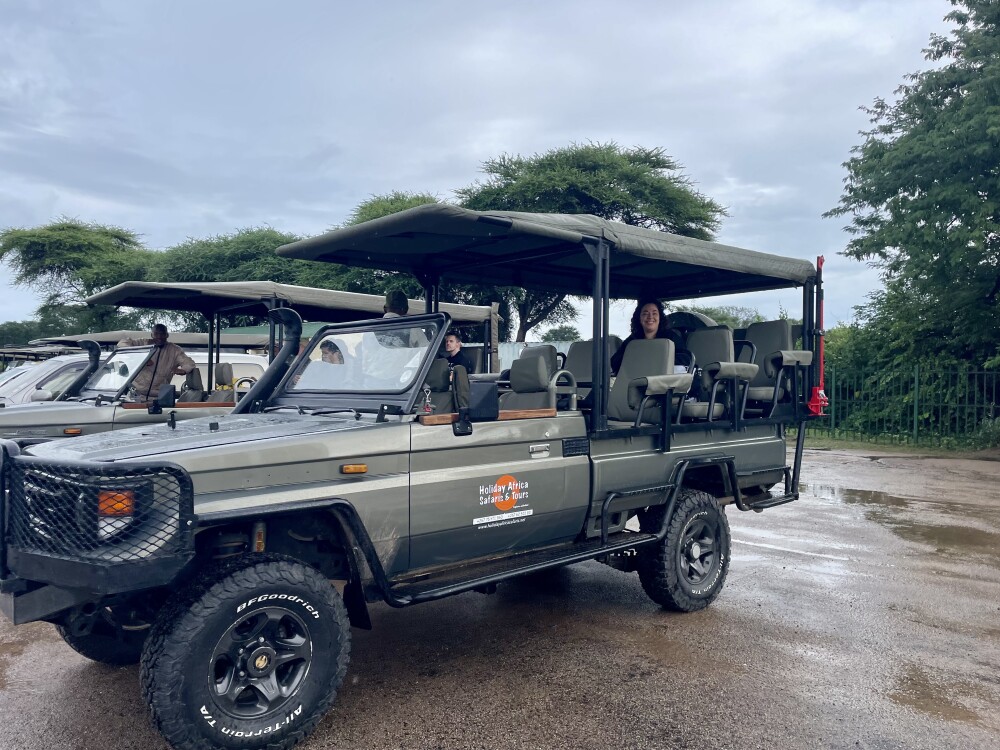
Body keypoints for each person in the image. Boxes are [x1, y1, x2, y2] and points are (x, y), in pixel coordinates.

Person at [121, 324, 197, 401]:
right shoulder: (142, 343)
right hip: (136, 395)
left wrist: (183, 370)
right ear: (152, 335)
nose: (159, 337)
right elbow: (122, 343)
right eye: (156, 334)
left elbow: (189, 363)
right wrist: (141, 357)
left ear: (167, 335)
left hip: (158, 397)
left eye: (162, 334)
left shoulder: (175, 350)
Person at [610, 298, 681, 375]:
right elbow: (615, 362)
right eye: (645, 313)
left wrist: (657, 360)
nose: (650, 317)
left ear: (660, 318)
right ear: (639, 318)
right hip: (638, 379)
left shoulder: (671, 338)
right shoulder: (633, 340)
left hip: (663, 380)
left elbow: (685, 359)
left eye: (654, 313)